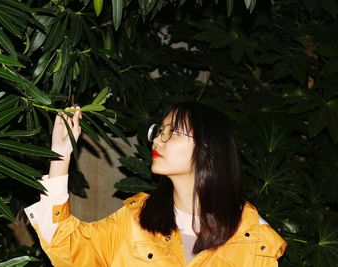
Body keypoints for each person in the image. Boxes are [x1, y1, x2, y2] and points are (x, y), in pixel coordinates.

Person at [25, 101, 287, 266]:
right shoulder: (135, 221)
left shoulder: (254, 241)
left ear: (209, 148)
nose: (157, 140)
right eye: (159, 130)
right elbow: (66, 248)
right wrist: (60, 156)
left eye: (171, 131)